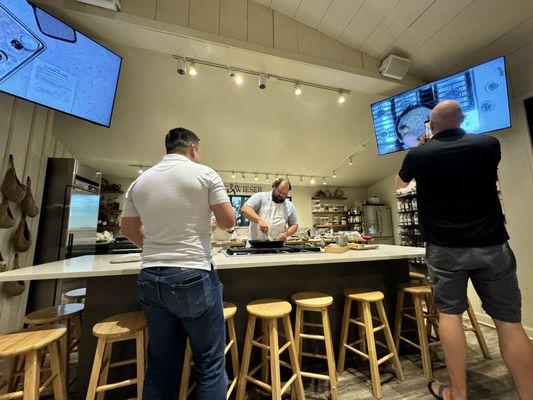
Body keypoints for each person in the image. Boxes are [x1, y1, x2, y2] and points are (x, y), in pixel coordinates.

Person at [395, 100, 533, 400]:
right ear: (462, 120)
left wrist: (424, 146)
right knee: (510, 325)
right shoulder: (488, 144)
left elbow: (399, 184)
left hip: (445, 249)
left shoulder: (419, 153)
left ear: (430, 126)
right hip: (492, 244)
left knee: (450, 315)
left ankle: (457, 393)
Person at [121, 127, 235, 400]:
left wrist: (153, 247)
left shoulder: (141, 181)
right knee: (209, 364)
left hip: (150, 277)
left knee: (160, 366)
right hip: (192, 274)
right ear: (193, 149)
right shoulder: (205, 173)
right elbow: (229, 222)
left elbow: (127, 228)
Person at [241, 178, 298, 242]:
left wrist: (286, 234)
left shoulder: (289, 205)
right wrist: (259, 220)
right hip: (256, 245)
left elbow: (294, 225)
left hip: (277, 246)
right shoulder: (260, 196)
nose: (281, 195)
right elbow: (245, 209)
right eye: (279, 192)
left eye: (284, 194)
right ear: (274, 186)